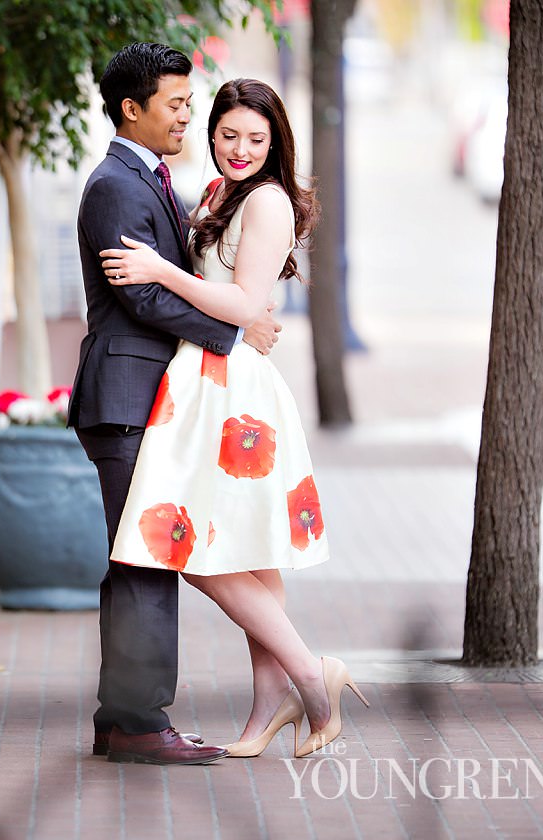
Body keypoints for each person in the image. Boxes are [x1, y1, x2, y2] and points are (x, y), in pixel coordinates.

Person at [98, 77, 368, 760]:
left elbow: (247, 304)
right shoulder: (220, 195)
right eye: (228, 135)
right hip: (203, 377)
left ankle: (310, 673)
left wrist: (160, 270)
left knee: (189, 548)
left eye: (256, 138)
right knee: (242, 545)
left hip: (229, 390)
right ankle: (268, 707)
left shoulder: (269, 201)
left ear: (275, 141)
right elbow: (240, 310)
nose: (241, 149)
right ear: (212, 133)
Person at [69, 43, 283, 766]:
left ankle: (122, 717)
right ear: (133, 108)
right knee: (145, 561)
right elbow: (143, 293)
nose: (190, 115)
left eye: (193, 104)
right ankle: (136, 721)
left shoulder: (151, 179)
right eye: (177, 104)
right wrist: (236, 327)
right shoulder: (115, 187)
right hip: (125, 396)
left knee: (145, 558)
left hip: (147, 399)